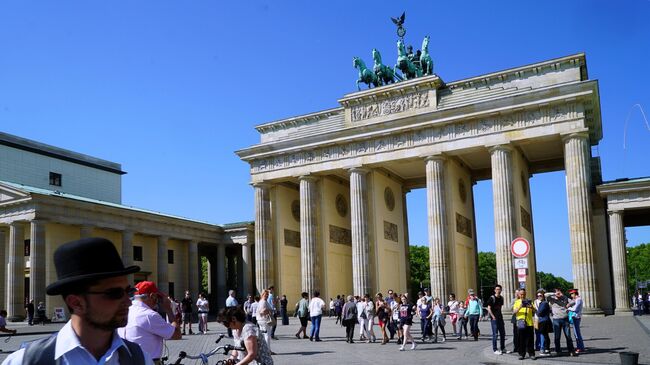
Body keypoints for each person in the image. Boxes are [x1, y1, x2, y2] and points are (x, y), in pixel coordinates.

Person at [2, 237, 151, 364]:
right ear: (76, 302)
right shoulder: (26, 361)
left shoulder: (140, 358)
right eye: (115, 293)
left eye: (128, 291)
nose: (129, 301)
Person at [118, 281, 182, 364]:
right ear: (152, 296)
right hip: (148, 361)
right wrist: (168, 310)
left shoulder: (126, 311)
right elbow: (177, 334)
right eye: (158, 297)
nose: (158, 301)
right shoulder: (149, 315)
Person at [547, 287, 576, 357]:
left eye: (559, 291)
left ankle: (571, 350)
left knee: (568, 336)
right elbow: (545, 294)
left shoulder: (565, 298)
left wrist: (569, 304)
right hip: (556, 320)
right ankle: (558, 351)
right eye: (557, 291)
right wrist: (554, 293)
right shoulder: (552, 298)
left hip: (565, 319)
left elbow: (573, 301)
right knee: (557, 337)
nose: (558, 292)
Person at [513, 288, 536, 360]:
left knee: (530, 339)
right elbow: (514, 312)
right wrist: (520, 306)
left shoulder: (529, 301)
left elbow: (535, 310)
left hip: (529, 323)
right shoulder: (517, 302)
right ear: (519, 295)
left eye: (524, 294)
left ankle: (531, 353)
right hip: (521, 323)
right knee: (521, 339)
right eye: (521, 294)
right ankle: (521, 354)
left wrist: (531, 307)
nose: (523, 295)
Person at [487, 284, 506, 355]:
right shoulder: (492, 298)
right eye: (497, 289)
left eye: (499, 289)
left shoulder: (501, 298)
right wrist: (493, 316)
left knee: (503, 333)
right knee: (495, 334)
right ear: (495, 290)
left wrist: (499, 315)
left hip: (500, 318)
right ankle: (495, 349)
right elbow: (488, 308)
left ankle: (503, 348)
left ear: (501, 290)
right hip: (494, 319)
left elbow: (500, 307)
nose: (498, 291)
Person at [256, 289, 275, 354]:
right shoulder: (263, 301)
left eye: (267, 294)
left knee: (264, 335)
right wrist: (269, 311)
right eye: (265, 294)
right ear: (262, 294)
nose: (267, 295)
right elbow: (262, 312)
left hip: (261, 320)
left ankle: (264, 350)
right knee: (267, 335)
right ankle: (267, 351)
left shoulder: (261, 301)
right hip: (264, 320)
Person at [534, 289, 551, 355]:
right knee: (538, 334)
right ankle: (539, 346)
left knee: (543, 334)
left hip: (542, 320)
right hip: (536, 319)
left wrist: (546, 294)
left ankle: (542, 348)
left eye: (540, 295)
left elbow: (539, 312)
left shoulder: (545, 302)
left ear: (543, 295)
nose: (539, 296)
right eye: (538, 295)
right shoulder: (535, 301)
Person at [567, 289, 585, 353]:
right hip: (576, 317)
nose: (571, 295)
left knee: (577, 334)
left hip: (576, 317)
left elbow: (575, 309)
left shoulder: (578, 299)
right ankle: (580, 347)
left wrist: (568, 308)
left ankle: (580, 348)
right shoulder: (576, 299)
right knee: (576, 333)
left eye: (572, 294)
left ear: (575, 293)